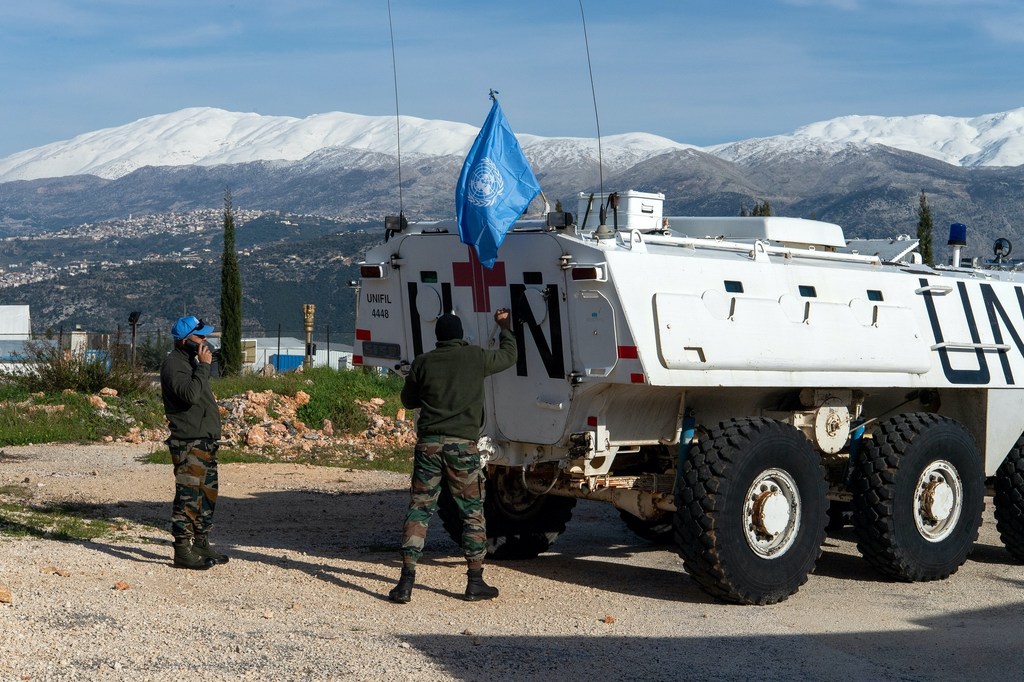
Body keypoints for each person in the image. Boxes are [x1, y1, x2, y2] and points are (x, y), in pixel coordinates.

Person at [389, 308, 517, 603]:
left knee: (420, 508)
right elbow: (509, 356)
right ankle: (475, 582)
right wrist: (504, 327)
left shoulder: (423, 362)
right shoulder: (475, 357)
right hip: (462, 447)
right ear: (459, 336)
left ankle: (406, 582)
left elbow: (407, 400)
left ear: (438, 337)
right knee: (471, 511)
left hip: (429, 446)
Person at [160, 315, 228, 570]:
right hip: (188, 441)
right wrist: (203, 366)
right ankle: (182, 550)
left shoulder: (190, 362)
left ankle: (201, 542)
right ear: (186, 340)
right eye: (201, 337)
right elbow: (189, 395)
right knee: (188, 496)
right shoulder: (174, 365)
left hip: (204, 440)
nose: (205, 340)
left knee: (207, 495)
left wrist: (200, 365)